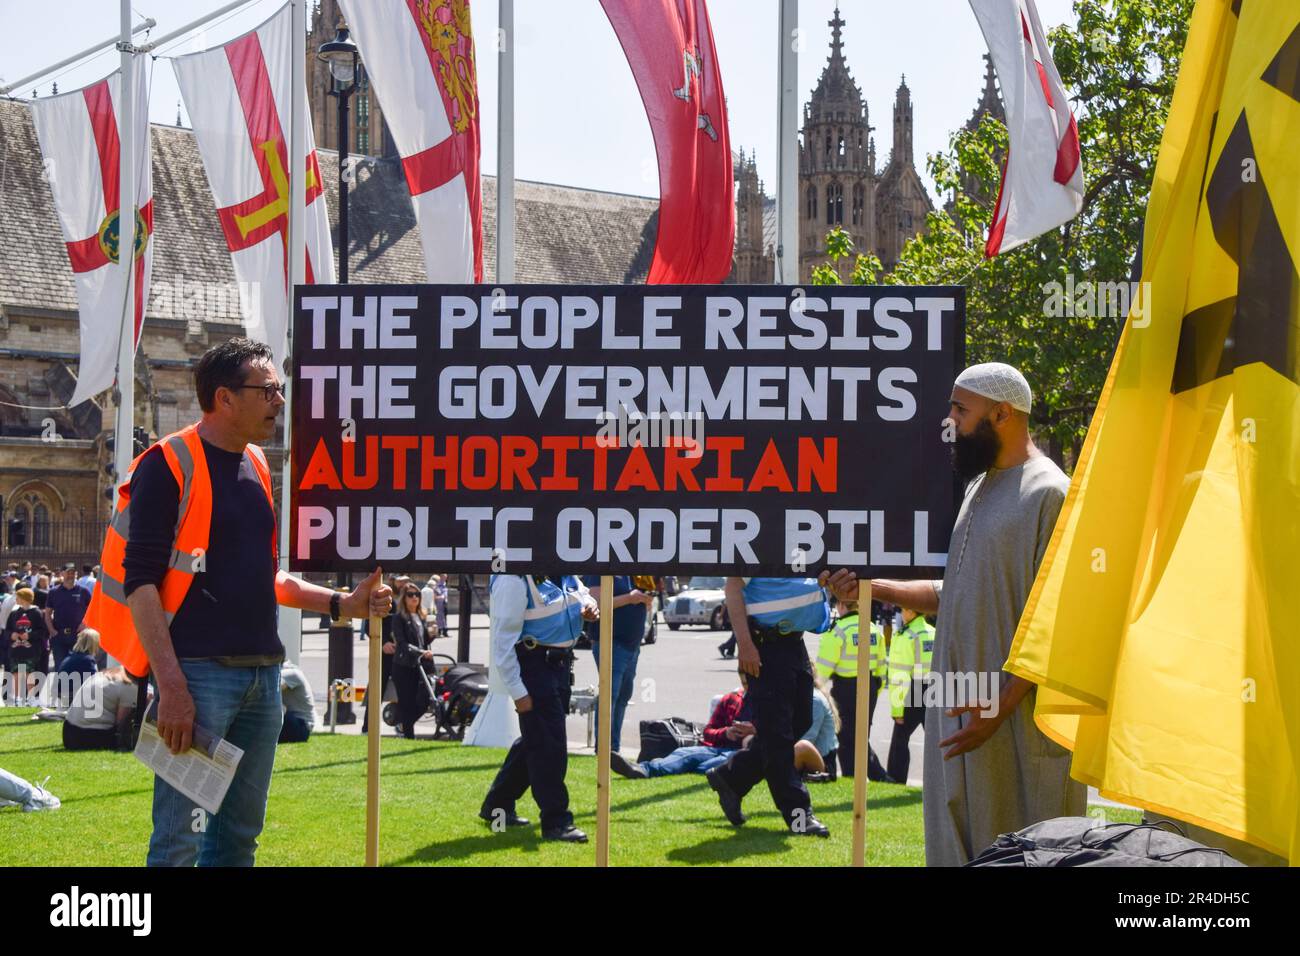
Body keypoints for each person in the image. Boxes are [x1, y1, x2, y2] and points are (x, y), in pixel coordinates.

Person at [82, 337, 393, 867]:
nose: (279, 400)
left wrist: (344, 603)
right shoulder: (167, 463)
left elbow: (266, 577)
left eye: (279, 388)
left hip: (263, 678)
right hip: (198, 681)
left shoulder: (255, 464)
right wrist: (173, 688)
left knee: (239, 839)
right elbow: (142, 584)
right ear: (224, 398)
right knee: (178, 840)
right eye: (268, 390)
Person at [869, 361, 1086, 866]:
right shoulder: (978, 487)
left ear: (1002, 413)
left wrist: (1000, 708)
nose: (950, 421)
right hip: (964, 716)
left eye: (961, 410)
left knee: (1021, 850)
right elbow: (958, 591)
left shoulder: (1049, 491)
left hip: (1012, 727)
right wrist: (875, 587)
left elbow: (1058, 620)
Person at [705, 571, 856, 837]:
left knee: (798, 724)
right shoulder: (759, 538)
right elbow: (732, 588)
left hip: (793, 643)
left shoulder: (795, 539)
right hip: (765, 646)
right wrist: (745, 645)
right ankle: (800, 816)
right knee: (778, 738)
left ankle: (731, 777)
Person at [480, 574, 598, 842]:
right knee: (549, 746)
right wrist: (519, 692)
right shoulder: (514, 579)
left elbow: (583, 594)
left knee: (538, 736)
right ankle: (556, 822)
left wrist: (590, 606)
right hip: (533, 665)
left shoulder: (563, 571)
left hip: (558, 665)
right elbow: (502, 642)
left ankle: (497, 806)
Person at [610, 675, 754, 779]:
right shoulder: (731, 699)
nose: (747, 686)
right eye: (744, 681)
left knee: (709, 765)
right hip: (718, 747)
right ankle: (642, 769)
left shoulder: (770, 703)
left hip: (745, 752)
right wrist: (726, 733)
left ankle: (668, 767)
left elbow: (774, 733)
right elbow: (708, 731)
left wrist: (753, 731)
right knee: (685, 753)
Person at [814, 598, 890, 780]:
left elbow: (823, 668)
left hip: (845, 689)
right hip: (870, 687)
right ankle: (876, 776)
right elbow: (881, 666)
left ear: (841, 605)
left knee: (846, 737)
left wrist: (817, 689)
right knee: (862, 735)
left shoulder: (838, 630)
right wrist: (875, 691)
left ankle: (858, 776)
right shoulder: (872, 628)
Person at [581, 574, 652, 755]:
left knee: (623, 696)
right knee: (609, 695)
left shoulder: (634, 572)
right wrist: (630, 598)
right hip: (611, 643)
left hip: (632, 645)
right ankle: (604, 748)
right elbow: (596, 604)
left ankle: (614, 748)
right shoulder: (602, 570)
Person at [885, 607, 935, 784]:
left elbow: (900, 675)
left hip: (913, 692)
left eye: (904, 609)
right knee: (938, 741)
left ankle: (895, 780)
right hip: (935, 689)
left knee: (900, 739)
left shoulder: (906, 636)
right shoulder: (933, 632)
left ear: (912, 612)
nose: (901, 613)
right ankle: (942, 782)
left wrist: (897, 709)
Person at [392, 583, 435, 739]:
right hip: (404, 665)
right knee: (406, 702)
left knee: (425, 700)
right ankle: (409, 736)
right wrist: (421, 652)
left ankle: (404, 724)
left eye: (417, 594)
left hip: (420, 665)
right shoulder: (399, 618)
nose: (414, 597)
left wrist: (432, 633)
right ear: (404, 598)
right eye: (410, 595)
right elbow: (402, 644)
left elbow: (423, 641)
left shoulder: (421, 616)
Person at [63, 667, 138, 751]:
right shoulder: (129, 685)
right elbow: (122, 725)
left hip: (69, 731)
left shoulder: (106, 674)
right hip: (87, 736)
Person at [4, 588, 48, 706]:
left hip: (31, 650)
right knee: (15, 672)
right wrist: (11, 635)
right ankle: (17, 697)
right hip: (16, 649)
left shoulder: (37, 613)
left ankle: (31, 697)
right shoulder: (14, 614)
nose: (16, 599)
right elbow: (7, 630)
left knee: (30, 672)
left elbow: (43, 631)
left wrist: (30, 635)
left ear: (24, 598)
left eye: (18, 597)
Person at [45, 564, 92, 671]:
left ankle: (78, 688)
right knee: (61, 667)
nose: (71, 575)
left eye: (73, 573)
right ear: (62, 574)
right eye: (68, 572)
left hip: (79, 636)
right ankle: (62, 688)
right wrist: (51, 630)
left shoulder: (84, 591)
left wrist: (85, 624)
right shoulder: (54, 592)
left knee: (79, 668)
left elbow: (91, 610)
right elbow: (47, 613)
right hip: (59, 636)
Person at [794, 677, 840, 781]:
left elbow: (807, 738)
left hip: (823, 763)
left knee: (802, 746)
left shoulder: (814, 699)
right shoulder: (794, 694)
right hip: (796, 752)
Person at [52, 628, 101, 708]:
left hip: (61, 694)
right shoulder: (87, 659)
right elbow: (95, 681)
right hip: (71, 695)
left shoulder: (72, 656)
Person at [278, 660, 316, 743]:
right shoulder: (288, 670)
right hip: (296, 724)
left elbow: (269, 689)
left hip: (301, 726)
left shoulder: (290, 673)